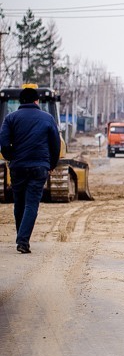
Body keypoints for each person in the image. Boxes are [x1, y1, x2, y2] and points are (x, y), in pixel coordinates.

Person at [0, 86, 62, 254]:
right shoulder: (47, 118)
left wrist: (11, 157)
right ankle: (23, 240)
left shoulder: (10, 118)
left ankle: (22, 238)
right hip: (39, 167)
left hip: (18, 167)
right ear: (37, 101)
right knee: (31, 204)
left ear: (21, 101)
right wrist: (52, 165)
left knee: (19, 203)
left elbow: (4, 143)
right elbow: (55, 144)